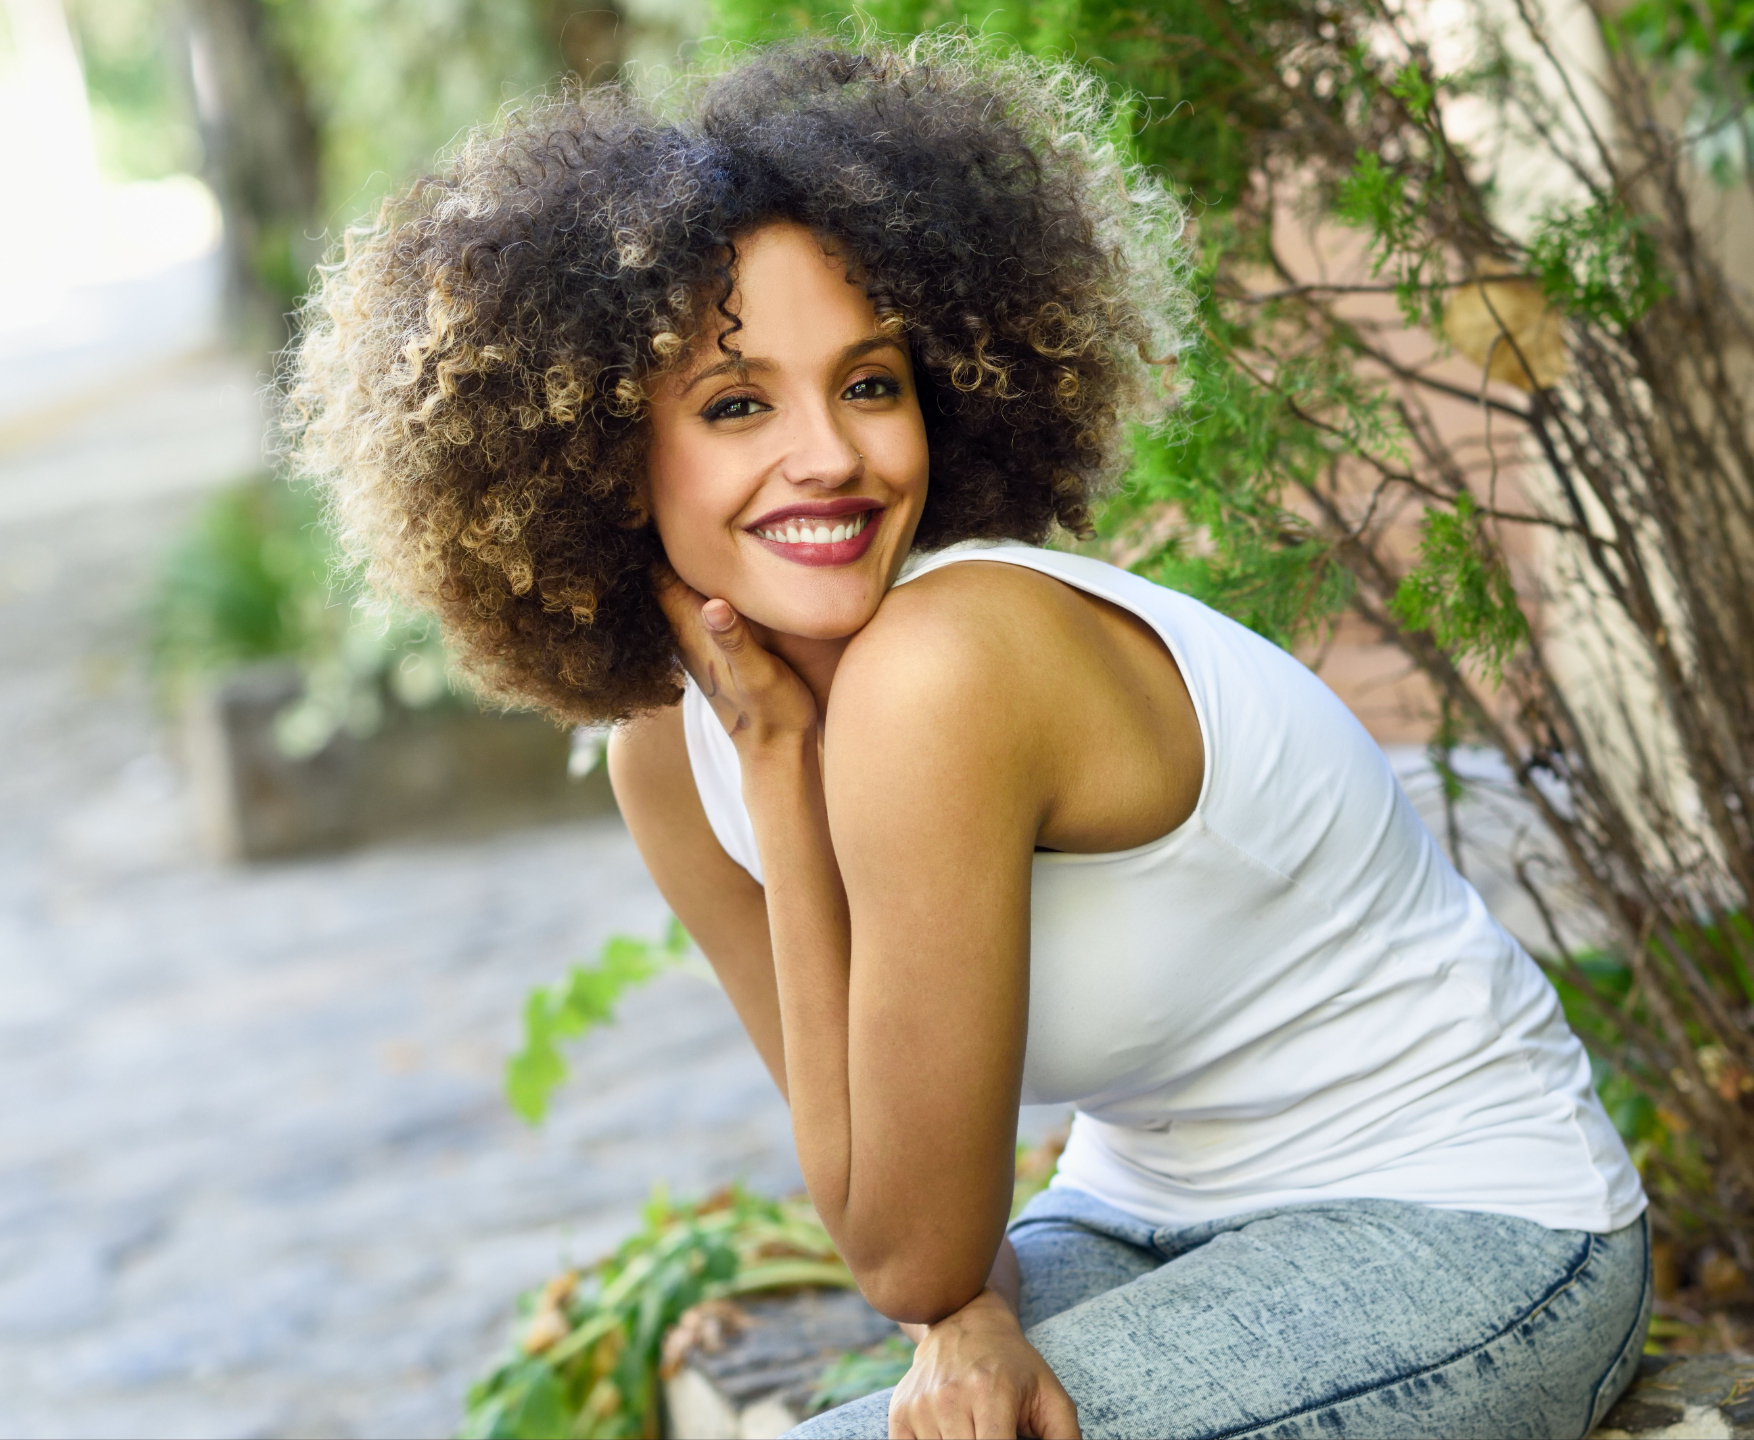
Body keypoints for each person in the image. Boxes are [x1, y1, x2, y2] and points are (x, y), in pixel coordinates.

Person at [288, 37, 1651, 1440]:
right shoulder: (666, 752)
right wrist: (970, 1317)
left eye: (870, 384)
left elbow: (908, 1248)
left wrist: (784, 775)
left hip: (1466, 1223)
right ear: (606, 455)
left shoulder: (955, 661)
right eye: (738, 404)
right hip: (1127, 1219)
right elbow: (886, 1206)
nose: (831, 454)